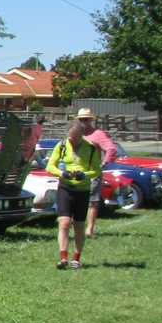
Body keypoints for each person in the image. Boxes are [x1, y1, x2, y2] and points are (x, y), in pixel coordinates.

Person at [46, 119, 102, 269]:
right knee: (64, 222)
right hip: (65, 187)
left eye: (76, 137)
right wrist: (62, 173)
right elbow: (50, 166)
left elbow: (97, 170)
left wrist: (84, 175)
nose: (73, 140)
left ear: (81, 135)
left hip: (82, 190)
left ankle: (76, 259)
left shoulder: (90, 148)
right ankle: (63, 258)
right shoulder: (62, 145)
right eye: (70, 137)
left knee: (78, 225)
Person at [76, 108, 116, 238]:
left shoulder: (98, 134)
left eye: (86, 119)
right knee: (76, 200)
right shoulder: (76, 133)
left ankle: (89, 229)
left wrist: (104, 163)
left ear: (91, 121)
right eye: (81, 119)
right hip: (76, 172)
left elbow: (111, 148)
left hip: (92, 172)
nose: (83, 122)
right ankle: (77, 226)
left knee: (92, 201)